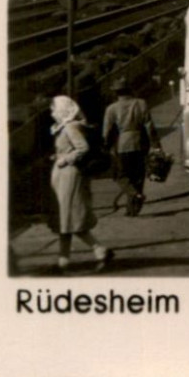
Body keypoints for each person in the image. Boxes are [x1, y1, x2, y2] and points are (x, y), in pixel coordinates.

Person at [49, 96, 113, 273]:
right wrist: (58, 157)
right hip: (63, 176)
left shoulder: (70, 127)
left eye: (54, 109)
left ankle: (98, 250)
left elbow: (82, 148)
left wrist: (65, 159)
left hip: (69, 176)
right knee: (66, 219)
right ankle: (65, 261)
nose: (52, 112)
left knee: (69, 218)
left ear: (63, 110)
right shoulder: (65, 127)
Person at [102, 81, 152, 217]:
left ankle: (134, 195)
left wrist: (106, 146)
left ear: (116, 93)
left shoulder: (111, 108)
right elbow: (149, 125)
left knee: (120, 175)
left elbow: (106, 131)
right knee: (138, 176)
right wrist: (156, 144)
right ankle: (133, 209)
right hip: (140, 142)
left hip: (122, 145)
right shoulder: (141, 103)